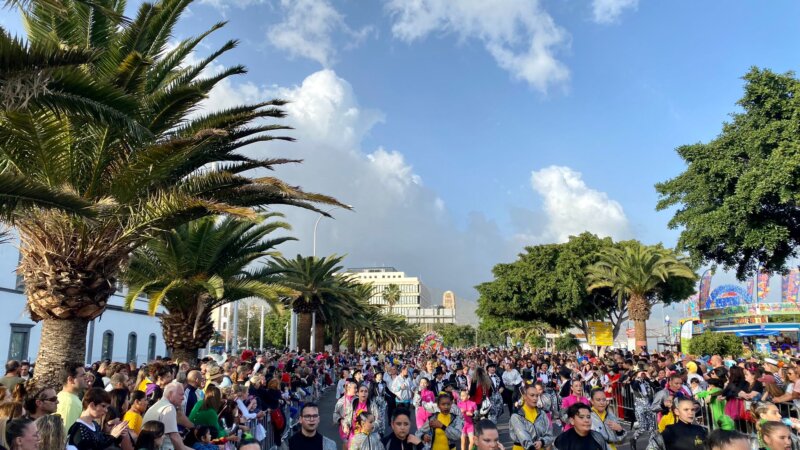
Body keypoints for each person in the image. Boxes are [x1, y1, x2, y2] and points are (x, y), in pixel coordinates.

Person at [142, 381, 192, 450]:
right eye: (181, 395)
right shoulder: (169, 408)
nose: (183, 398)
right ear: (170, 394)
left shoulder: (160, 404)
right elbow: (175, 438)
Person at [508, 385, 554, 450]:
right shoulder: (516, 416)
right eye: (532, 395)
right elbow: (524, 437)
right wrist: (531, 446)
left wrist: (542, 442)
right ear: (525, 396)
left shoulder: (542, 413)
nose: (535, 398)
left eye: (537, 396)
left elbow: (550, 435)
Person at [57, 362, 88, 433]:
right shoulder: (70, 403)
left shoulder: (65, 397)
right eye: (82, 375)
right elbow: (66, 432)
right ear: (71, 380)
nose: (86, 378)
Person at [334, 381, 357, 450]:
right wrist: (341, 420)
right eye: (355, 388)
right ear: (349, 389)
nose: (356, 390)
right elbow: (335, 413)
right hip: (345, 427)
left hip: (357, 427)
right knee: (347, 445)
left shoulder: (357, 399)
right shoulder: (341, 401)